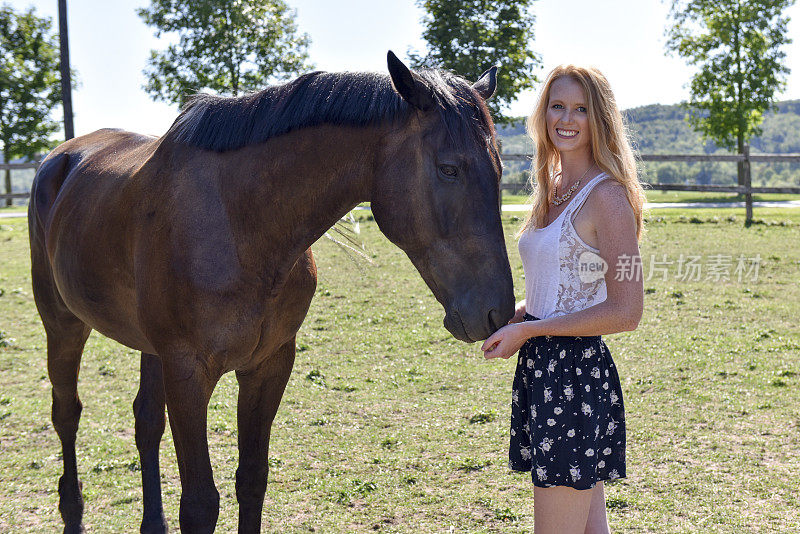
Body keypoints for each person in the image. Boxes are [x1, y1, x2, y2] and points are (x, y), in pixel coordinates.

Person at [481, 65, 646, 533]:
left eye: (581, 109)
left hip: (574, 377)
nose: (566, 118)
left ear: (600, 119)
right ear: (543, 114)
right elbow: (554, 291)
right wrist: (513, 320)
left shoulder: (609, 198)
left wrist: (530, 329)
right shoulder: (551, 190)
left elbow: (628, 310)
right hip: (543, 368)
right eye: (557, 106)